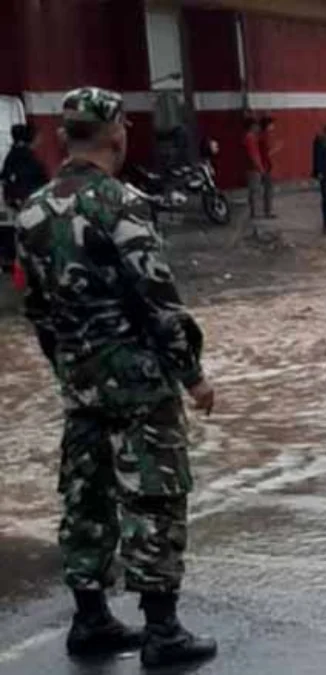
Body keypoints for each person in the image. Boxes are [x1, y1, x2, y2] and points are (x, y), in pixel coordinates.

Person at [13, 87, 216, 667]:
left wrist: (69, 369)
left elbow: (38, 312)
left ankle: (92, 619)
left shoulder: (30, 212)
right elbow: (158, 301)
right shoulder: (120, 204)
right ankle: (162, 632)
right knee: (154, 497)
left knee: (86, 497)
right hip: (139, 386)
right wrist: (194, 377)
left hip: (80, 383)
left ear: (63, 135)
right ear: (116, 134)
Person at [2, 124, 49, 211]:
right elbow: (28, 178)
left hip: (20, 199)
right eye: (38, 137)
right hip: (27, 201)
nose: (41, 140)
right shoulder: (24, 156)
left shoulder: (14, 153)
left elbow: (5, 176)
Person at [243, 118, 265, 220]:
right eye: (256, 126)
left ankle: (254, 211)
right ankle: (254, 212)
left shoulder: (249, 137)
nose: (258, 128)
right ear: (252, 126)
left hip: (251, 167)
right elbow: (254, 155)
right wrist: (260, 168)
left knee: (254, 190)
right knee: (255, 190)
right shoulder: (250, 138)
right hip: (253, 168)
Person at [258, 116, 279, 219]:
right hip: (266, 166)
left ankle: (267, 210)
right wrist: (276, 148)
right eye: (271, 124)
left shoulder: (261, 136)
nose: (273, 126)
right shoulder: (265, 137)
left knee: (267, 189)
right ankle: (268, 211)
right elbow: (267, 153)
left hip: (264, 165)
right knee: (268, 189)